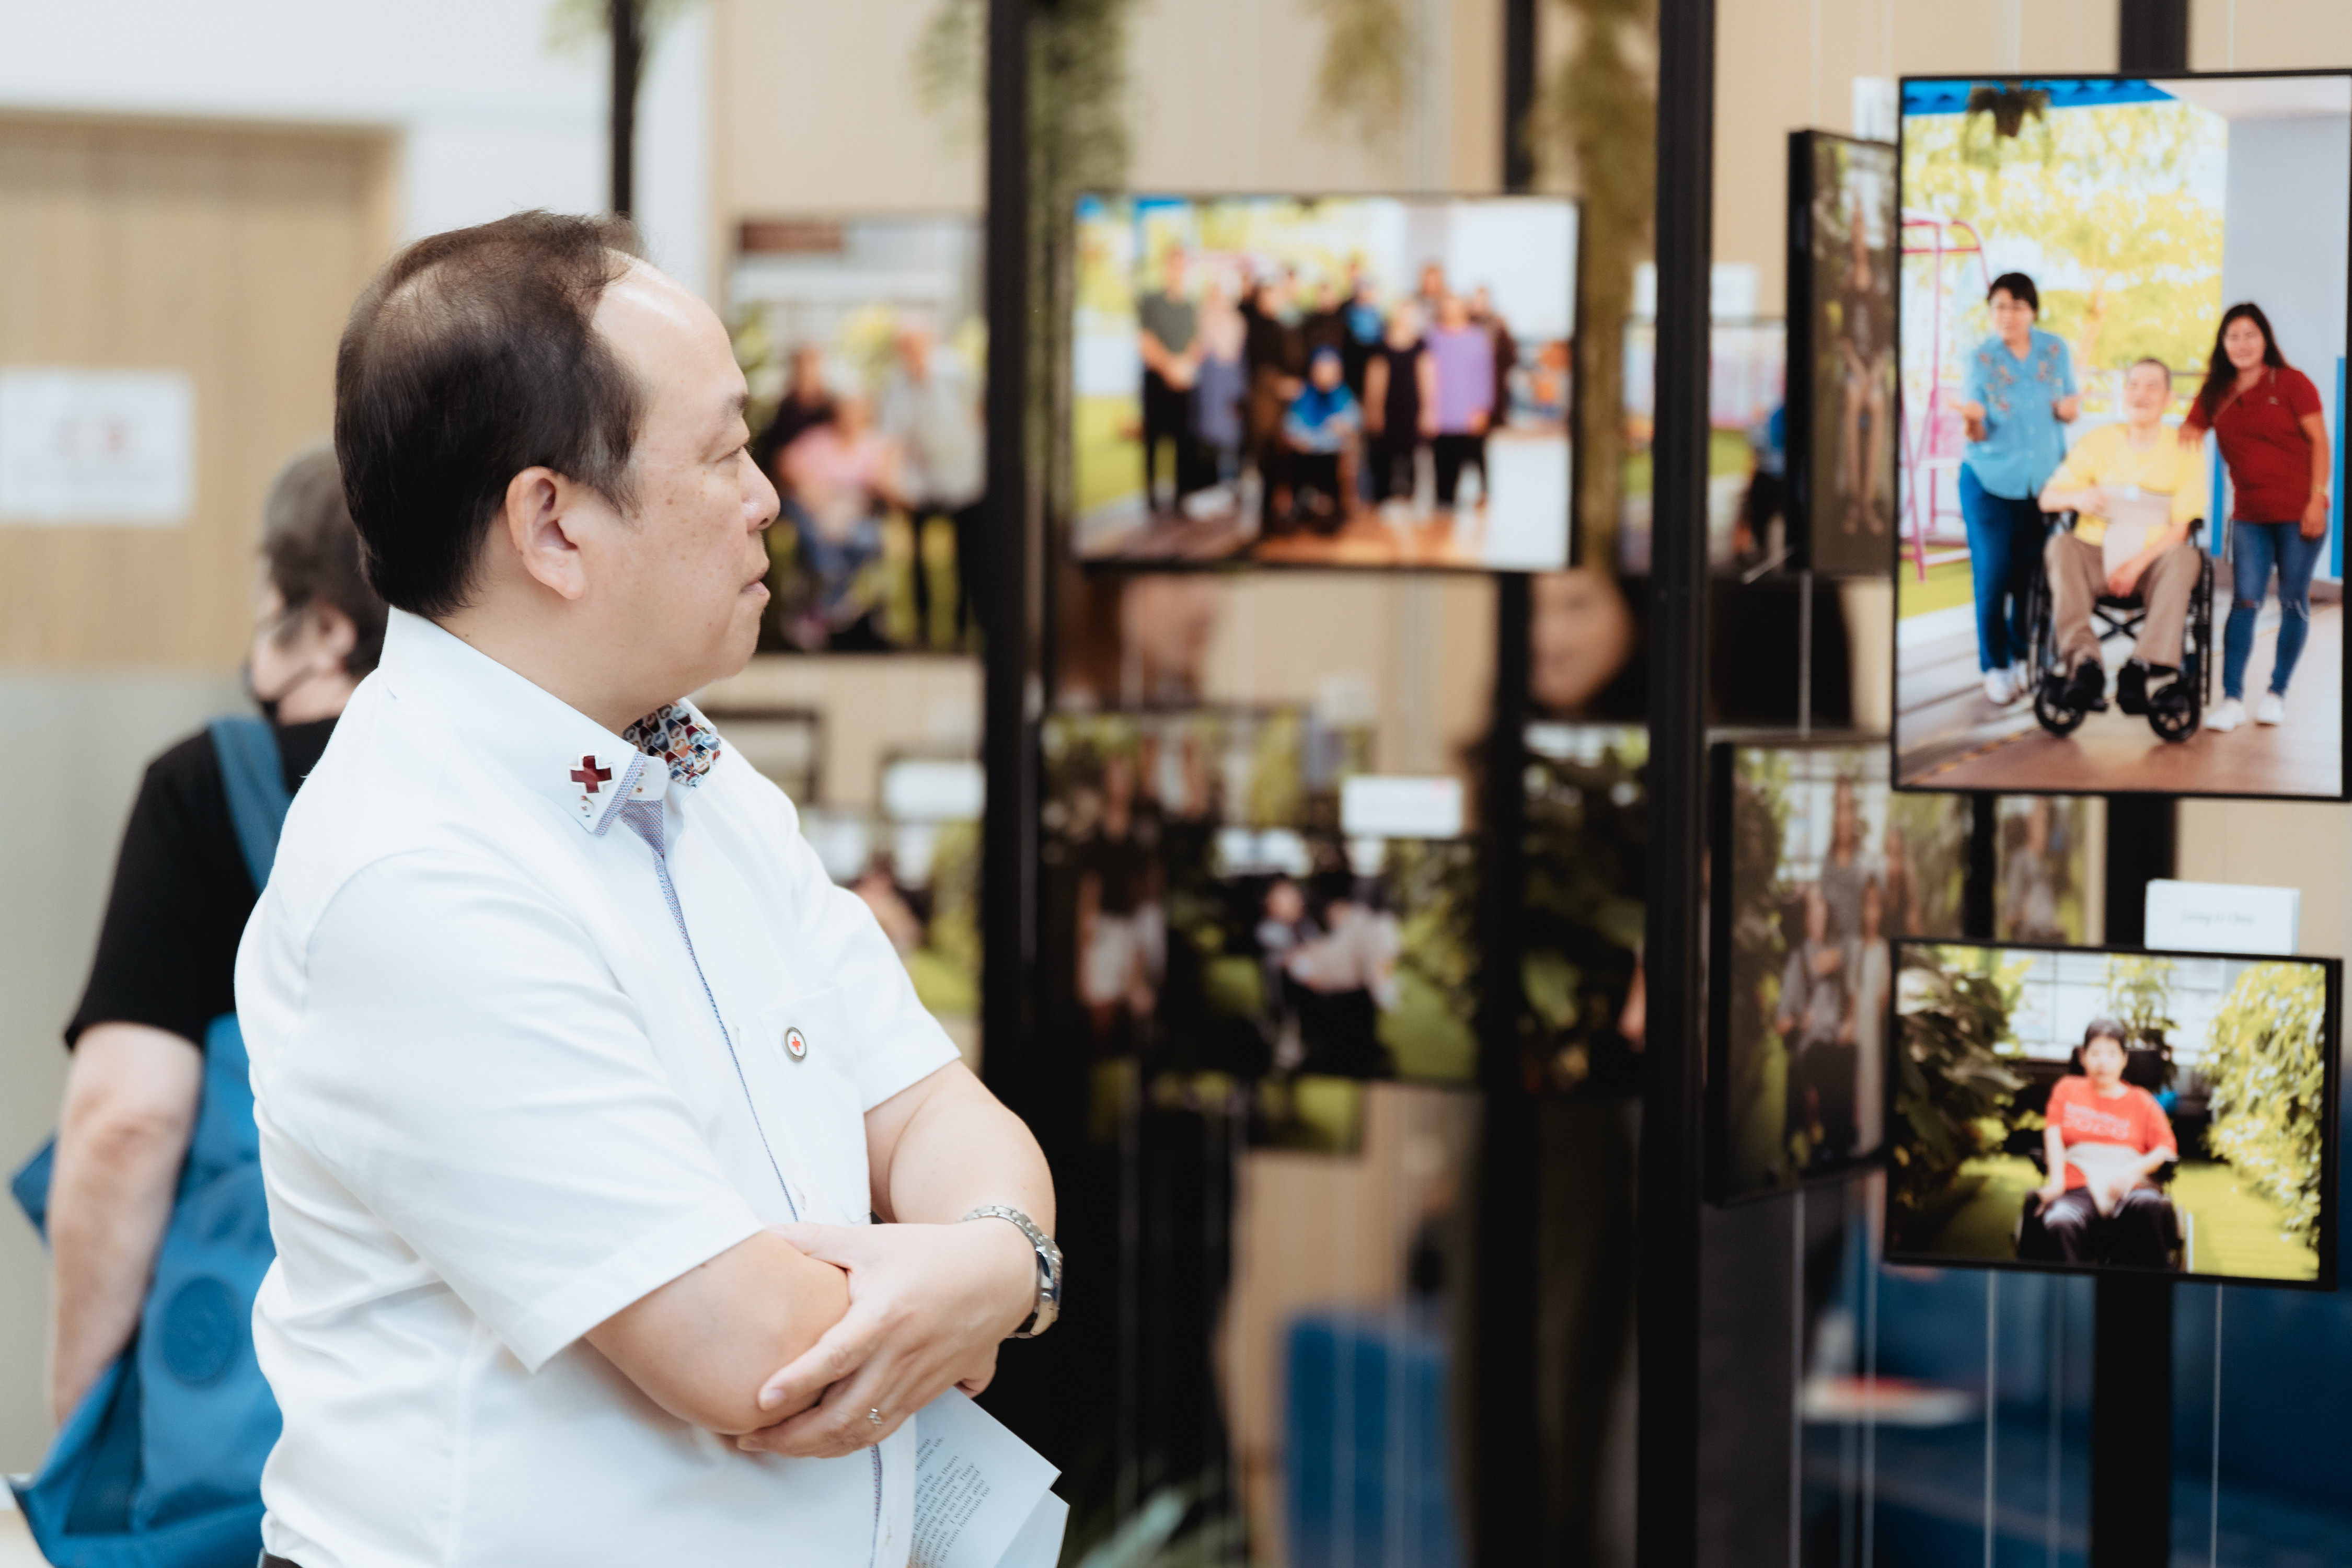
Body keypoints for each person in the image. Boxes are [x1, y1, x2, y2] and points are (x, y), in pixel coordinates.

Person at [241, 211, 1057, 1566]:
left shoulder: (697, 777)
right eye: (726, 449)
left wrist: (989, 1264)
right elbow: (761, 1354)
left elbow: (933, 1108)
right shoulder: (416, 875)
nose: (769, 496)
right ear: (551, 525)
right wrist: (985, 1271)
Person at [33, 449, 385, 1559]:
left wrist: (84, 1410)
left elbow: (124, 1121)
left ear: (326, 625)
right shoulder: (527, 795)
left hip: (242, 1451)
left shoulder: (210, 787)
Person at [2182, 303, 2335, 733]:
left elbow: (2320, 443)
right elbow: (2185, 438)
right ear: (2222, 343)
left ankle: (2277, 693)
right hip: (2249, 516)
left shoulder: (2291, 383)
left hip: (2300, 513)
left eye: (2250, 335)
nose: (2242, 344)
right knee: (2245, 601)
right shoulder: (2215, 392)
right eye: (2233, 336)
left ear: (2265, 339)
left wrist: (2316, 499)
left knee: (2291, 600)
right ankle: (2232, 699)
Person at [2036, 356, 2207, 720]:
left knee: (2186, 557)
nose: (2140, 394)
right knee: (2060, 545)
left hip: (2152, 567)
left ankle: (2141, 666)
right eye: (2133, 385)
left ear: (2168, 398)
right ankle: (2085, 665)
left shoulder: (2185, 449)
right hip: (2095, 557)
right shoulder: (2097, 442)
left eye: (2151, 386)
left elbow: (2181, 528)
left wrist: (2136, 566)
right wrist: (2077, 497)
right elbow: (2048, 498)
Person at [1953, 272, 2079, 706]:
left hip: (2043, 487)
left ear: (2033, 311)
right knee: (1993, 572)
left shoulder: (2055, 349)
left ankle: (2021, 652)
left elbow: (2068, 407)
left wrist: (2068, 410)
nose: (2007, 316)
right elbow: (1978, 430)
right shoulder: (1980, 359)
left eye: (2016, 306)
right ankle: (1996, 666)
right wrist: (1971, 419)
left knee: (2031, 578)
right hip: (1989, 483)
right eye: (1999, 307)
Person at [2026, 1020, 2178, 1267]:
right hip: (2076, 1186)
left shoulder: (2142, 1100)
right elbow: (2052, 1134)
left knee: (2149, 1206)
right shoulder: (2066, 1089)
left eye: (2111, 1054)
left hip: (2128, 1186)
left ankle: (2150, 1296)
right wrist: (2056, 1183)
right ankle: (2071, 1300)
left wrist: (2133, 1170)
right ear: (2083, 1056)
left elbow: (2165, 1148)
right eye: (2095, 1053)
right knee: (2060, 1222)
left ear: (2124, 1059)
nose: (2103, 1062)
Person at [877, 322, 985, 647]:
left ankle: (967, 627)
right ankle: (923, 628)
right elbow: (893, 440)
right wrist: (892, 483)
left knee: (971, 557)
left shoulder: (959, 374)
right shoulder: (895, 387)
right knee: (917, 559)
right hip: (924, 481)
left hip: (967, 477)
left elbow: (980, 412)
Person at [780, 386, 897, 650]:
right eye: (845, 412)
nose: (850, 418)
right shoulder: (816, 440)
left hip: (857, 517)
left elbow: (883, 488)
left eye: (857, 412)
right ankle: (839, 596)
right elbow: (786, 467)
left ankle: (820, 610)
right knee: (807, 528)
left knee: (866, 540)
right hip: (816, 516)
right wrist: (809, 488)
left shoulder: (877, 445)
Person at [1775, 884, 1856, 1169]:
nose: (1822, 908)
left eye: (1823, 901)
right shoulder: (1799, 961)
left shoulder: (1840, 954)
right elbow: (1781, 1022)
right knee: (1825, 1060)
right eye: (1815, 904)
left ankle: (1839, 1146)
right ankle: (1819, 1144)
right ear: (1807, 917)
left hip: (1838, 1046)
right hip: (1813, 1050)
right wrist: (1802, 1020)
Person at [1835, 203, 1894, 539]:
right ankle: (1855, 504)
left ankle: (1868, 503)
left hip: (1875, 367)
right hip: (1855, 367)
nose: (1859, 239)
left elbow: (1885, 337)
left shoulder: (1882, 279)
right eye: (1854, 231)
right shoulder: (1845, 282)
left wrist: (1877, 371)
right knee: (1852, 402)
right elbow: (1843, 338)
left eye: (1862, 230)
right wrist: (1858, 368)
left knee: (1877, 414)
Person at [1136, 247, 1200, 511]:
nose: (1178, 270)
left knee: (1183, 440)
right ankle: (1151, 498)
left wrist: (1185, 366)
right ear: (1166, 267)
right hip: (1157, 379)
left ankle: (1180, 497)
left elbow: (1196, 343)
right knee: (1154, 438)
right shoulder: (1150, 301)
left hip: (1184, 381)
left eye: (1182, 265)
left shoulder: (1191, 307)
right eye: (1174, 265)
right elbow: (1146, 341)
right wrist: (1169, 367)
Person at [1426, 293, 1496, 510]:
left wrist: (1482, 408)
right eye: (1447, 307)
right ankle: (1443, 506)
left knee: (1472, 458)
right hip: (1440, 412)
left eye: (1455, 307)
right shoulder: (1431, 337)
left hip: (1469, 411)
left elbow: (1485, 374)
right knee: (1441, 463)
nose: (1451, 312)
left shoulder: (1477, 337)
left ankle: (1481, 495)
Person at [1363, 298, 1434, 506]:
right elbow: (1374, 381)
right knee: (1383, 456)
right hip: (1387, 406)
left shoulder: (1421, 345)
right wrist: (1374, 410)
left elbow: (1426, 379)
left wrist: (1427, 410)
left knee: (1410, 456)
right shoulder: (1380, 346)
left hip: (1411, 406)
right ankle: (1380, 502)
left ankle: (1410, 500)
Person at [1282, 345, 1361, 528]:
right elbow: (1292, 422)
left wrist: (1343, 427)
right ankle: (1301, 507)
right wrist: (1297, 438)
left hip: (1332, 452)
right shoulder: (1304, 394)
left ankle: (1332, 510)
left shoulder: (1342, 395)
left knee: (1334, 470)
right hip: (1306, 450)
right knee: (1297, 466)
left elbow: (1353, 419)